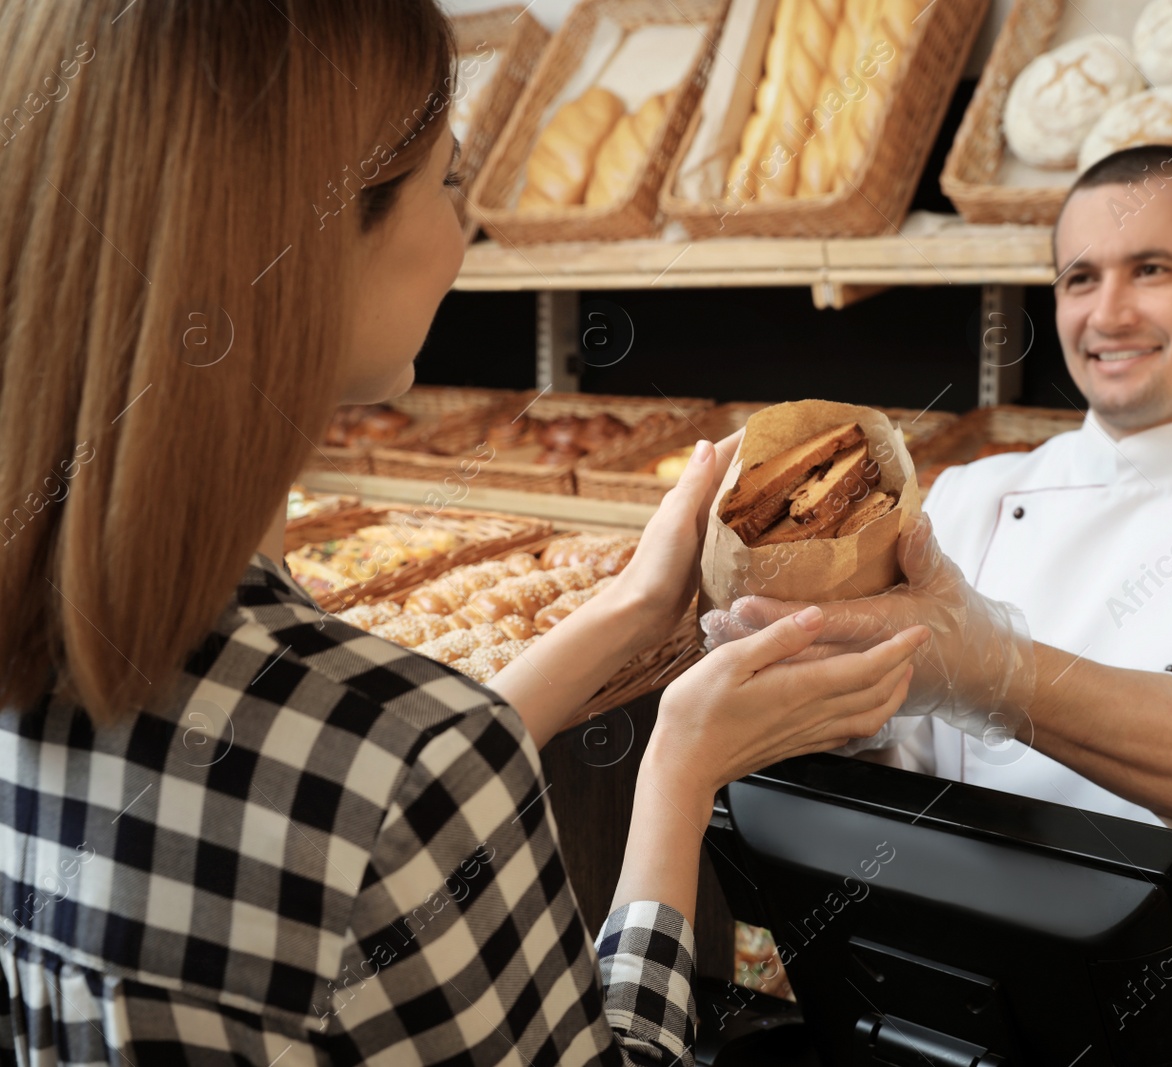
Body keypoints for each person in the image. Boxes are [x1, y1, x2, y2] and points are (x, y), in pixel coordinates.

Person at [0, 2, 929, 1062]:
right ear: (309, 246)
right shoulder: (410, 759)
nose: (463, 225)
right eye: (448, 178)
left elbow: (363, 786)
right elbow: (413, 793)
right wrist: (679, 768)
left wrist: (631, 605)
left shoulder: (70, 672)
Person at [705, 145, 1172, 1063]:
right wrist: (831, 701)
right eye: (1079, 278)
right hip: (974, 1021)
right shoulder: (968, 496)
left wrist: (998, 671)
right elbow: (904, 761)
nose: (1108, 312)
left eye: (1152, 270)